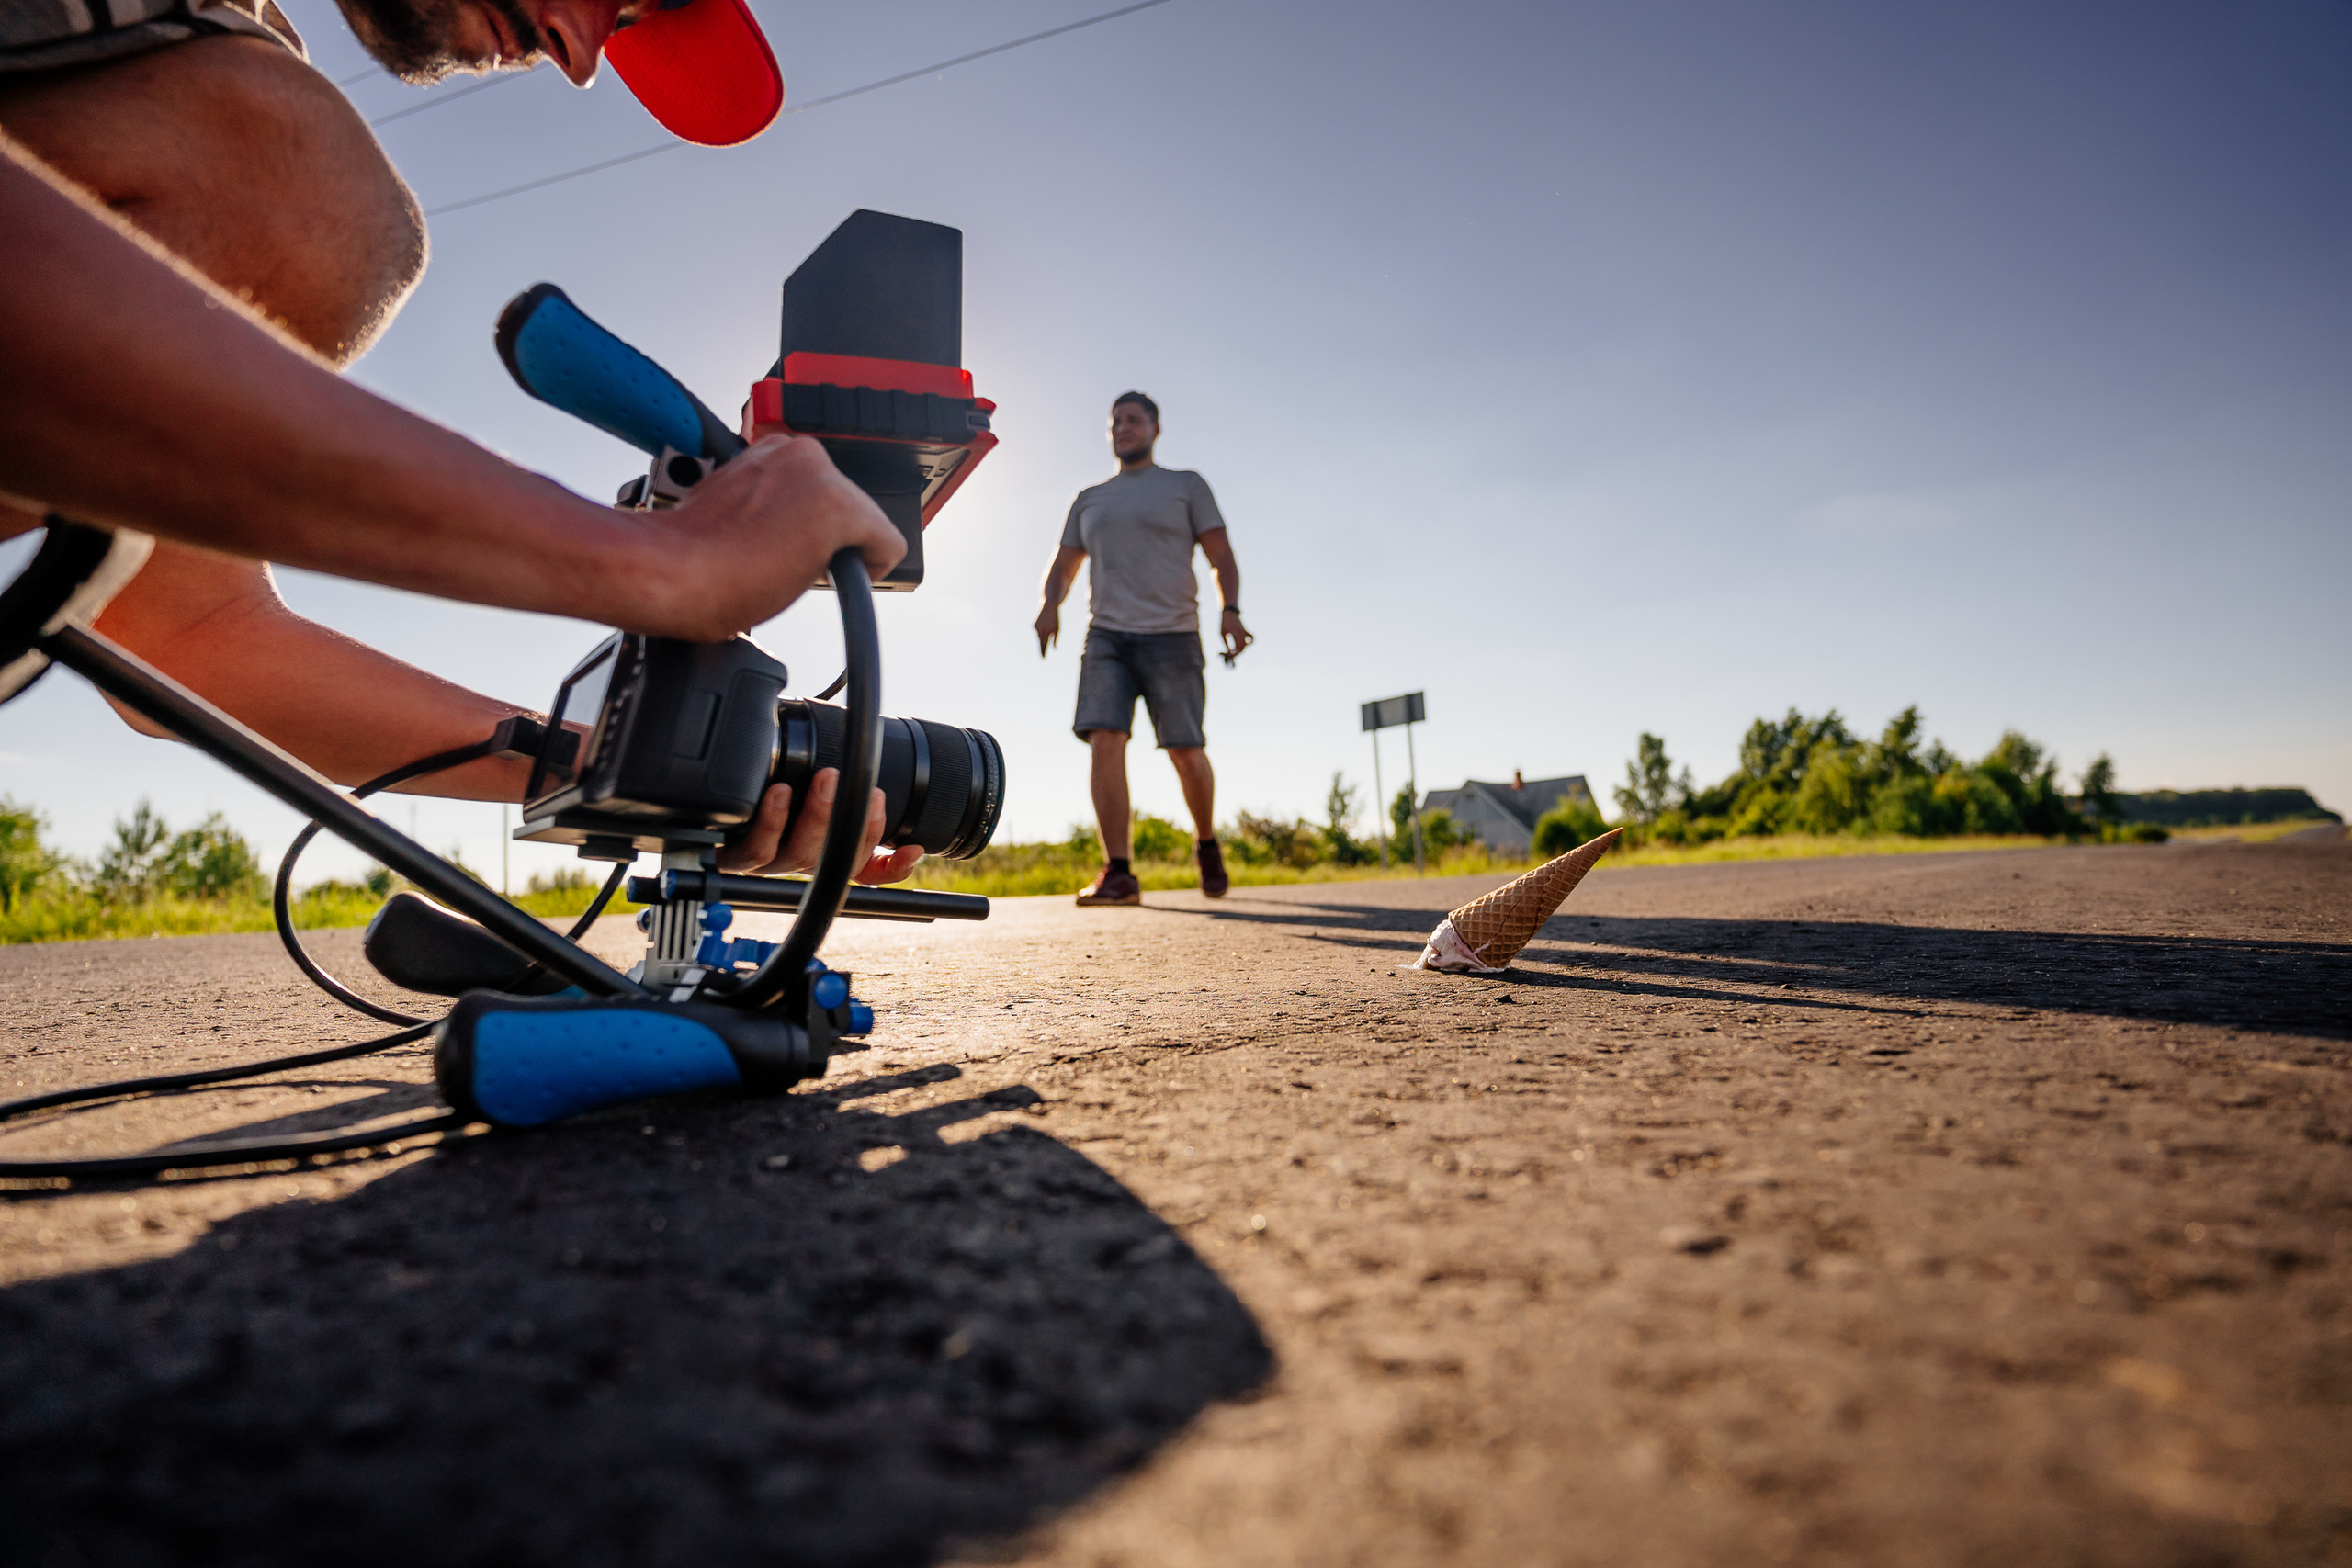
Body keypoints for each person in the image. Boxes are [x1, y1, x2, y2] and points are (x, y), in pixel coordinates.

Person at [0, 0, 922, 886]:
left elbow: (186, 636)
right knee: (292, 193)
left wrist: (621, 769)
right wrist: (658, 565)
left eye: (628, 20)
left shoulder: (215, 52)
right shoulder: (243, 128)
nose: (581, 53)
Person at [1034, 391, 1251, 907]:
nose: (1122, 427)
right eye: (1115, 421)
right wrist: (1049, 605)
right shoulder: (1090, 497)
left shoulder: (1185, 486)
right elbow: (1064, 566)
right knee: (1104, 738)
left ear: (1155, 429)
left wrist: (1232, 610)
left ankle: (1206, 842)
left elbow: (1221, 556)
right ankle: (1121, 872)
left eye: (1133, 420)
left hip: (1172, 635)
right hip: (1106, 634)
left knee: (1185, 748)